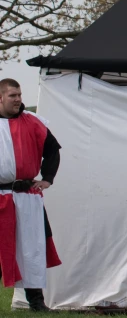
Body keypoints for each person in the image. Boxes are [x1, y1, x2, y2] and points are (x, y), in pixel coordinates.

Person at [0, 78, 62, 312]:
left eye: (19, 95)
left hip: (25, 196)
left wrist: (47, 178)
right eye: (13, 95)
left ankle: (36, 304)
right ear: (1, 97)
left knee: (31, 247)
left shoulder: (33, 122)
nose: (18, 99)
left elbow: (53, 149)